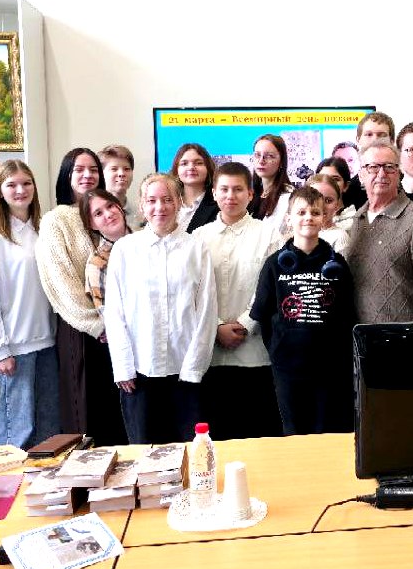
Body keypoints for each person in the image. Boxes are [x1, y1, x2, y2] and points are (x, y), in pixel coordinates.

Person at [105, 173, 218, 444]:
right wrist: (123, 366)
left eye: (167, 200)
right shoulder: (125, 249)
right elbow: (115, 313)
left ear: (179, 202)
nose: (160, 207)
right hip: (139, 372)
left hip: (185, 371)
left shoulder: (196, 248)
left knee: (190, 451)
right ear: (142, 205)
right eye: (152, 200)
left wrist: (194, 367)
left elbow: (207, 310)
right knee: (145, 452)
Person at [36, 148, 126, 446]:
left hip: (117, 330)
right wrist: (98, 325)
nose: (88, 175)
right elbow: (61, 283)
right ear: (67, 175)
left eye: (93, 169)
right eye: (79, 169)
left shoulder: (105, 211)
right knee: (87, 415)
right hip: (82, 331)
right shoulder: (56, 220)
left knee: (118, 411)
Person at [251, 185, 356, 434]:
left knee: (326, 430)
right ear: (289, 218)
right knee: (293, 431)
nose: (308, 217)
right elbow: (263, 314)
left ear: (324, 217)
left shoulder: (337, 263)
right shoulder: (274, 264)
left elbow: (346, 315)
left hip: (328, 367)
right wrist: (278, 347)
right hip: (287, 366)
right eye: (301, 212)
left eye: (315, 212)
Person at [193, 163, 282, 439]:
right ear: (214, 193)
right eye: (224, 189)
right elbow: (193, 292)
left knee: (257, 435)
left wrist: (245, 324)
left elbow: (271, 288)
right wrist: (217, 327)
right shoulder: (199, 237)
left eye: (238, 189)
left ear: (250, 194)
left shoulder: (269, 234)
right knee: (218, 437)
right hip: (211, 355)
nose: (230, 196)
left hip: (255, 354)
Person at [0, 160, 59, 449]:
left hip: (47, 342)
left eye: (26, 183)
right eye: (11, 185)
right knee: (18, 430)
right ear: (0, 191)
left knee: (49, 430)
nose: (20, 190)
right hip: (14, 347)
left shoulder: (44, 230)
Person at [345, 139, 413, 323]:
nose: (381, 174)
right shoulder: (356, 220)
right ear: (361, 175)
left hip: (403, 337)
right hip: (360, 336)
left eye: (389, 167)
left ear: (399, 173)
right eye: (373, 167)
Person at [82, 189, 133, 311]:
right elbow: (107, 315)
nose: (109, 214)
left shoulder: (147, 239)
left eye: (110, 206)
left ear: (119, 207)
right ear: (91, 224)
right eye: (98, 213)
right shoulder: (97, 264)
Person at [343, 111, 396, 210]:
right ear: (358, 140)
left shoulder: (407, 185)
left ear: (392, 141)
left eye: (382, 135)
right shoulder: (346, 192)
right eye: (369, 134)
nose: (375, 140)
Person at [249, 134, 293, 234]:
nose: (261, 161)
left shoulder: (289, 197)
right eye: (257, 155)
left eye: (269, 156)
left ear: (281, 162)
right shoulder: (251, 194)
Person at [172, 143, 219, 233]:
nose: (191, 167)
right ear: (176, 170)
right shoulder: (167, 202)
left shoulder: (220, 203)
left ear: (208, 168)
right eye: (184, 163)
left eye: (198, 163)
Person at [305, 173, 352, 254]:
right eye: (315, 198)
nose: (321, 205)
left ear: (337, 205)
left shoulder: (339, 237)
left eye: (328, 201)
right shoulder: (299, 231)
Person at [98, 144, 139, 227]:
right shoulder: (93, 213)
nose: (121, 173)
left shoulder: (140, 214)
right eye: (114, 169)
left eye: (126, 169)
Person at [315, 156, 356, 229]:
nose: (328, 183)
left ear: (346, 185)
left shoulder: (354, 221)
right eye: (322, 178)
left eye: (335, 179)